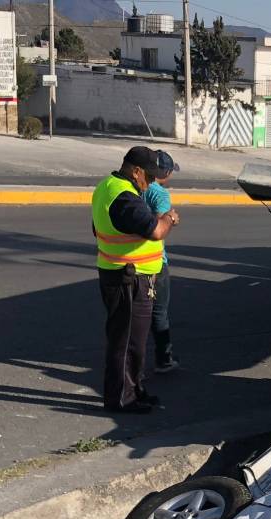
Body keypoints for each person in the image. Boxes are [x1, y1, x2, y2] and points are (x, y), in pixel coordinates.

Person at [91, 146, 180, 414]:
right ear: (136, 171)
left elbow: (97, 228)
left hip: (124, 273)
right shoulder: (125, 198)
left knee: (135, 342)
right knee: (127, 342)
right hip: (128, 277)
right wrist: (169, 218)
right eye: (149, 177)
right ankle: (121, 398)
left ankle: (134, 390)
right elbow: (156, 231)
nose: (150, 182)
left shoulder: (107, 186)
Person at [144, 150, 180, 373]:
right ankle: (164, 359)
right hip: (155, 261)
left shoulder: (136, 189)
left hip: (131, 260)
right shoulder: (160, 194)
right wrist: (171, 219)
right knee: (159, 313)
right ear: (165, 173)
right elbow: (159, 228)